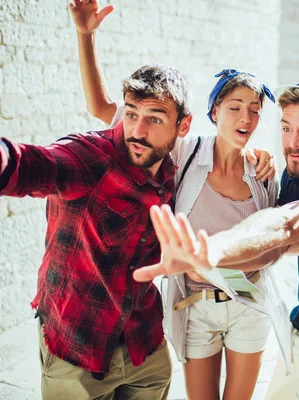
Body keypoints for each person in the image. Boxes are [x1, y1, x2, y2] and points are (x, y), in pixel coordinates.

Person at [69, 2, 288, 399]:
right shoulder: (183, 152)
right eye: (235, 107)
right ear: (213, 112)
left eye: (254, 111)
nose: (246, 118)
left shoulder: (262, 174)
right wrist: (87, 37)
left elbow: (271, 245)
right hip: (196, 306)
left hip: (248, 303)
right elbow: (101, 107)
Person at [133, 68, 299, 400]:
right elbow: (274, 241)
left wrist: (210, 252)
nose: (294, 142)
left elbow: (281, 225)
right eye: (286, 128)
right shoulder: (294, 171)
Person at [0, 49, 191, 400]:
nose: (138, 130)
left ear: (183, 125)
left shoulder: (172, 171)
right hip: (77, 348)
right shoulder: (90, 157)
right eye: (131, 114)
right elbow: (35, 164)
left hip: (144, 347)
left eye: (155, 118)